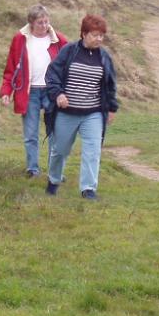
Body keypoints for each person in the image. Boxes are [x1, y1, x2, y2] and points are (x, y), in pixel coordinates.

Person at [43, 14, 119, 200]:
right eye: (94, 35)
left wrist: (111, 108)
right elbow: (52, 75)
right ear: (83, 34)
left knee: (93, 150)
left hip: (92, 113)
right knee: (60, 150)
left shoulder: (104, 58)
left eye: (101, 35)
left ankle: (88, 189)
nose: (99, 39)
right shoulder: (69, 51)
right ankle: (54, 180)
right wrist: (59, 94)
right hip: (67, 113)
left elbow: (110, 84)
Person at [0, 4, 68, 177]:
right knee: (31, 134)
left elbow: (70, 64)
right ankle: (33, 169)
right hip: (29, 92)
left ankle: (55, 171)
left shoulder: (59, 40)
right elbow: (10, 68)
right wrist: (6, 92)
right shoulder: (20, 40)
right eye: (40, 23)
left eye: (46, 22)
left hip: (52, 91)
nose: (44, 26)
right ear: (31, 23)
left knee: (55, 133)